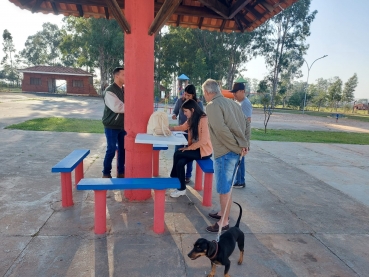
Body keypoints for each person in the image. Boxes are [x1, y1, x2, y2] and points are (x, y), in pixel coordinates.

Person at [202, 79, 250, 233]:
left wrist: (237, 146)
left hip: (225, 153)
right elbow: (247, 123)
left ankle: (224, 222)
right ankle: (223, 213)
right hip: (234, 151)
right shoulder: (233, 103)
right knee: (227, 187)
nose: (205, 96)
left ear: (208, 92)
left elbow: (221, 130)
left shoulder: (213, 105)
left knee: (224, 189)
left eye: (204, 93)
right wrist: (244, 144)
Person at [169, 99, 213, 198]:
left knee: (178, 153)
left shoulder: (203, 119)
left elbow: (203, 141)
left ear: (192, 110)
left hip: (203, 151)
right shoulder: (192, 118)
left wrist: (189, 148)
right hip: (194, 149)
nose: (184, 114)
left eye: (185, 111)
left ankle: (173, 177)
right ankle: (181, 188)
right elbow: (184, 127)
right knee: (180, 162)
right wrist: (172, 128)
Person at [172, 84, 204, 183]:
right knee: (177, 153)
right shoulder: (180, 101)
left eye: (189, 96)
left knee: (188, 155)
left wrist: (189, 147)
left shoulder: (199, 107)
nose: (186, 97)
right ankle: (175, 175)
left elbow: (204, 140)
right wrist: (173, 119)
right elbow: (176, 113)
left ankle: (187, 175)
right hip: (181, 133)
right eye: (185, 94)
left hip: (193, 136)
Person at [101, 67, 126, 178]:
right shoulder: (110, 91)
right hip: (111, 125)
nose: (126, 77)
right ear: (117, 76)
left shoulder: (124, 90)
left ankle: (121, 172)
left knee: (123, 150)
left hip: (123, 125)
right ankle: (106, 173)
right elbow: (118, 108)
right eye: (124, 75)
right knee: (111, 149)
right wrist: (135, 106)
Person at [229, 82, 253, 188]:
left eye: (236, 92)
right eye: (233, 92)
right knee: (238, 159)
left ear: (242, 91)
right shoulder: (239, 102)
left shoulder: (245, 103)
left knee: (240, 160)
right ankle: (238, 179)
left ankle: (240, 181)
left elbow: (247, 122)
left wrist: (245, 142)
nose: (234, 95)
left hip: (241, 137)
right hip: (237, 136)